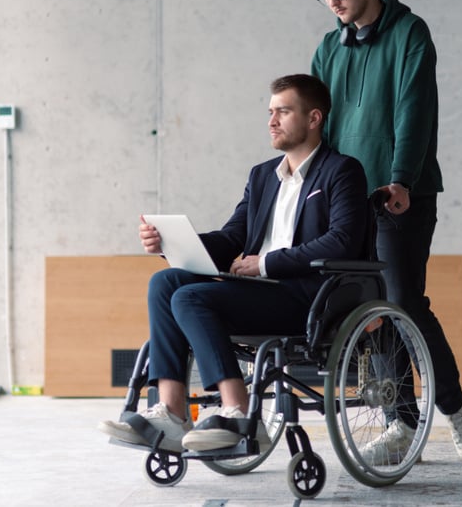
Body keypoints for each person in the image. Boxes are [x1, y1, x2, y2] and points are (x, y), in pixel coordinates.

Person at [98, 73, 368, 453]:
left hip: (309, 298)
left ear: (313, 118)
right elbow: (231, 239)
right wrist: (169, 244)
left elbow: (342, 242)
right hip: (258, 293)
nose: (272, 121)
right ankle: (173, 413)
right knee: (166, 283)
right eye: (270, 112)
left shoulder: (342, 171)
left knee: (190, 299)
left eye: (284, 111)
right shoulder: (262, 177)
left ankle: (239, 411)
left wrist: (266, 264)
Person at [310, 0, 462, 464]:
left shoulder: (411, 34)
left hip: (402, 194)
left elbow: (415, 113)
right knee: (365, 311)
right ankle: (401, 423)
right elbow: (321, 124)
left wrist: (401, 180)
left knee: (404, 302)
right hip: (349, 199)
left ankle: (452, 407)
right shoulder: (327, 48)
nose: (333, 1)